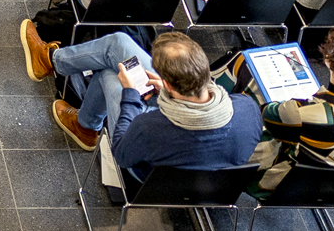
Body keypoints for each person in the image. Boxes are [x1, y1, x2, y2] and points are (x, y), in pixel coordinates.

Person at [40, 29, 262, 180]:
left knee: (110, 73)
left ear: (169, 83)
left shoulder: (149, 127)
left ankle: (85, 124)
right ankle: (54, 67)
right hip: (209, 179)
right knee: (119, 43)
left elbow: (123, 155)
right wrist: (166, 91)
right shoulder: (247, 108)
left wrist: (130, 95)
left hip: (151, 178)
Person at [214, 19, 334, 193]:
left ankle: (204, 98)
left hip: (284, 184)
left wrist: (295, 105)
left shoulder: (310, 116)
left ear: (332, 64)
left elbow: (267, 115)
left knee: (244, 69)